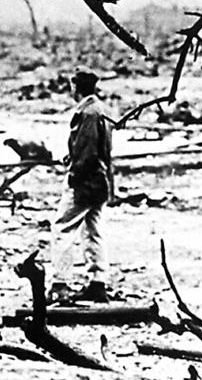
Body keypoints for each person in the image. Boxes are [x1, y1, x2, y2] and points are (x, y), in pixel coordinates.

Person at [49, 70, 115, 303]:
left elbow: (87, 153)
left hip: (85, 182)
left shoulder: (87, 113)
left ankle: (60, 285)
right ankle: (98, 283)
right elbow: (100, 150)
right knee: (93, 229)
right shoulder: (100, 110)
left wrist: (74, 175)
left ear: (76, 88)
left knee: (62, 228)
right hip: (100, 181)